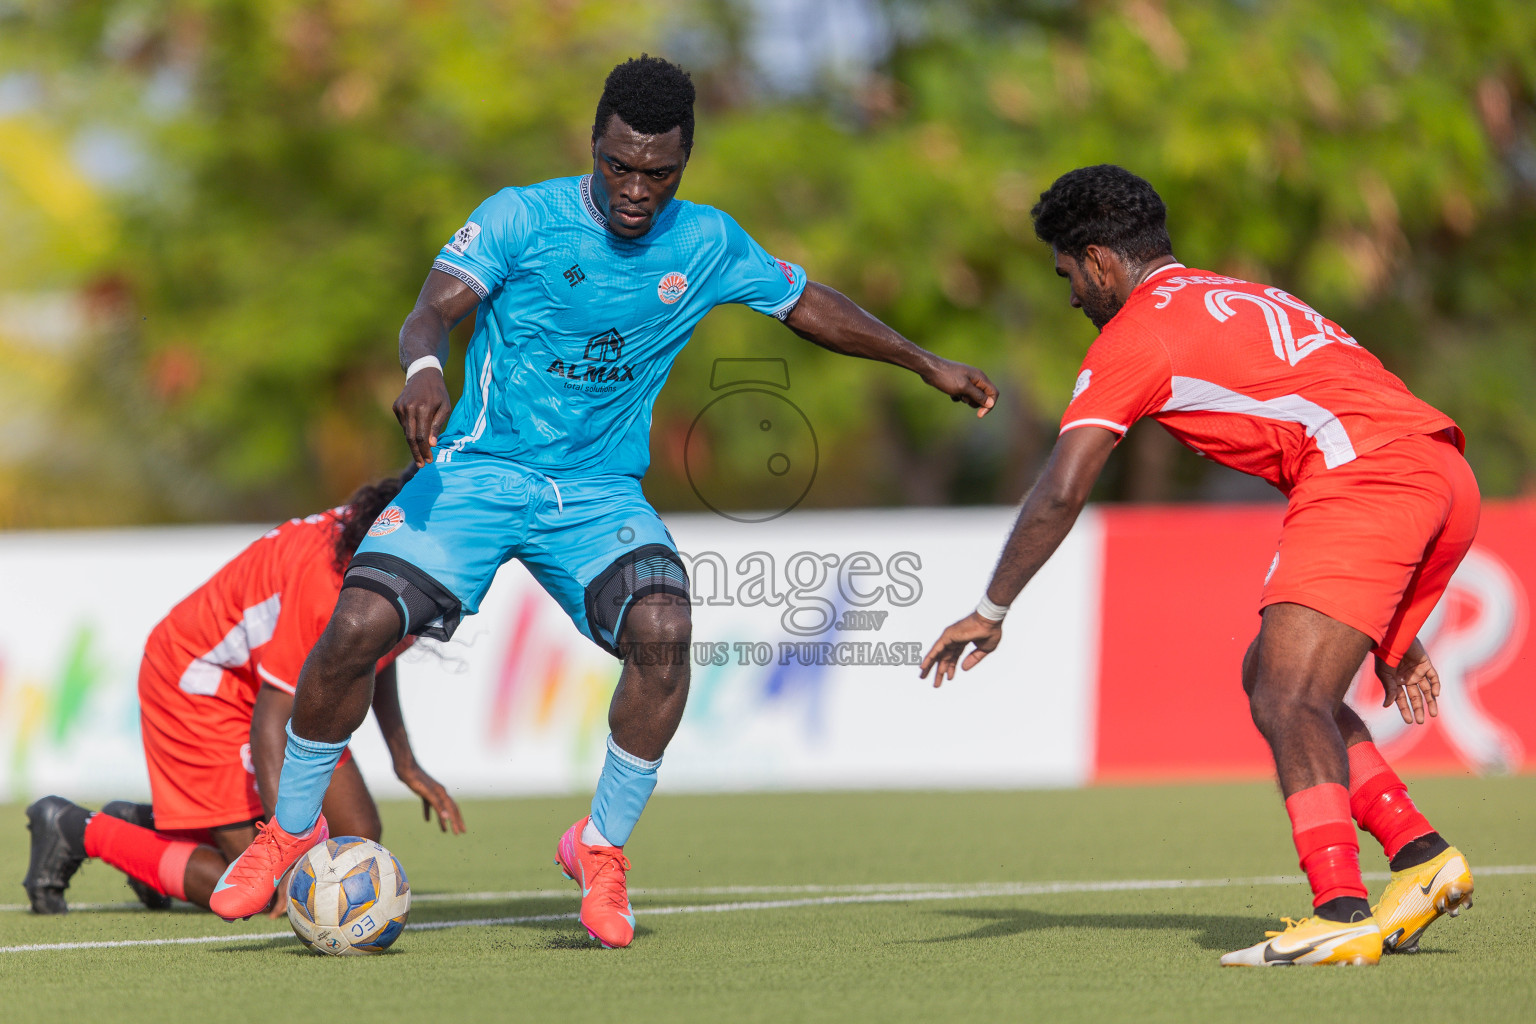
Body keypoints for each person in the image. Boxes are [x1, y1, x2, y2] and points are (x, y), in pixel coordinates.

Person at [209, 55, 998, 945]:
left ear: (684, 163)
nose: (634, 188)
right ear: (595, 145)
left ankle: (600, 847)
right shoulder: (520, 216)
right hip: (479, 472)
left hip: (594, 493)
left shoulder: (705, 242)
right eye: (618, 166)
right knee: (355, 626)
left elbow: (807, 302)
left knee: (665, 630)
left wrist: (924, 359)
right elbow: (429, 313)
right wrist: (425, 368)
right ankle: (290, 831)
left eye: (657, 173)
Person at [921, 165, 1476, 967]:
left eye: (1069, 274)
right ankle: (1422, 857)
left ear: (1102, 260)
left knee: (1289, 695)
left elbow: (1061, 488)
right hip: (1436, 471)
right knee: (1272, 675)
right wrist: (1394, 611)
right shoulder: (1244, 294)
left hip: (1368, 480)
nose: (1071, 295)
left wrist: (991, 609)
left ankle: (1340, 909)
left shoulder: (1136, 335)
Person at [22, 471, 464, 916]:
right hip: (195, 679)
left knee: (358, 832)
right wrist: (282, 853)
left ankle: (148, 826)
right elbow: (272, 718)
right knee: (259, 883)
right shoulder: (327, 580)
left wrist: (404, 761)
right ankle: (75, 827)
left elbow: (369, 649)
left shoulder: (388, 551)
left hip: (259, 680)